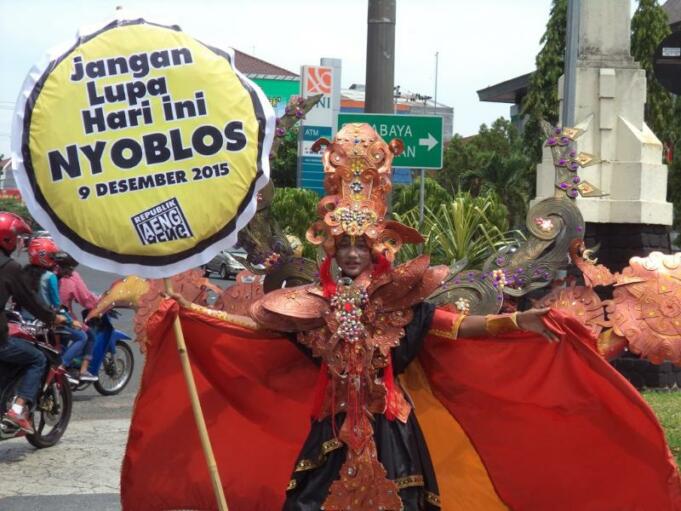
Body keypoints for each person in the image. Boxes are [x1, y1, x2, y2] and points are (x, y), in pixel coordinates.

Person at [0, 213, 66, 434]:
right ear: (7, 239)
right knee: (36, 359)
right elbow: (30, 301)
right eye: (17, 237)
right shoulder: (9, 267)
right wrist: (52, 317)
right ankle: (18, 410)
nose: (20, 243)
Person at [24, 237, 97, 383]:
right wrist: (71, 322)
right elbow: (57, 306)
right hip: (47, 321)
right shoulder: (50, 277)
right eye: (52, 256)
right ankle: (61, 368)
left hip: (24, 321)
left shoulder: (23, 273)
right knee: (83, 336)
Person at [54, 252, 100, 381]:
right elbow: (85, 298)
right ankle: (76, 369)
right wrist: (100, 304)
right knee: (88, 335)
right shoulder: (71, 277)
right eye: (70, 268)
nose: (70, 271)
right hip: (60, 317)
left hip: (45, 315)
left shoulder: (47, 274)